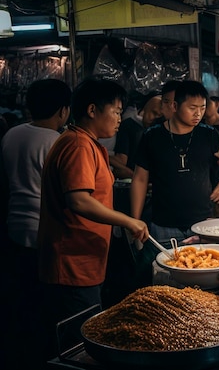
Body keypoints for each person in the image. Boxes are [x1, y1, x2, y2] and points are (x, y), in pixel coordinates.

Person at [38, 78, 150, 362]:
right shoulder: (77, 145)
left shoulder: (87, 143)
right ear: (91, 110)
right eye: (115, 111)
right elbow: (78, 200)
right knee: (79, 345)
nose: (119, 120)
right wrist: (128, 221)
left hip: (85, 258)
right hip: (73, 263)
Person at [0, 79, 71, 368]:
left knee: (21, 301)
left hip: (13, 228)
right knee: (48, 306)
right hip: (45, 233)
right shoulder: (57, 142)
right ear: (64, 110)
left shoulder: (11, 135)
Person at [130, 80, 219, 247]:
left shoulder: (208, 134)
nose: (198, 114)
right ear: (175, 106)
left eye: (202, 108)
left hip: (203, 224)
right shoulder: (152, 136)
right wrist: (135, 221)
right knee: (164, 271)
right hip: (163, 227)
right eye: (192, 108)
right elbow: (140, 179)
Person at [110, 93, 162, 179]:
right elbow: (122, 161)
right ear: (147, 107)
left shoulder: (157, 133)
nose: (153, 119)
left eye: (159, 118)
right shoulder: (130, 126)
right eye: (154, 113)